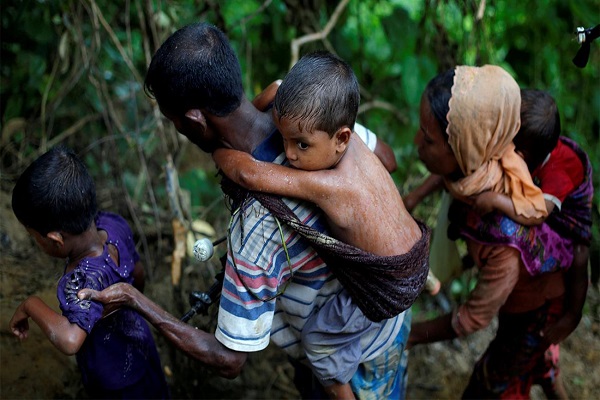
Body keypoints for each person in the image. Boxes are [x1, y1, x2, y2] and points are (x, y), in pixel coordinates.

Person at [78, 22, 413, 400]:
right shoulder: (311, 114)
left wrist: (134, 299)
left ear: (194, 121)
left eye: (175, 123)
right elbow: (387, 158)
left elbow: (229, 359)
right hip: (390, 322)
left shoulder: (257, 228)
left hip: (351, 367)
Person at [212, 50, 428, 399]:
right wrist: (261, 108)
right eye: (283, 138)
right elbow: (277, 88)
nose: (290, 153)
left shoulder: (333, 186)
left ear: (341, 138)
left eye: (301, 144)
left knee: (319, 341)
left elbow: (249, 174)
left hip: (387, 287)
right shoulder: (353, 139)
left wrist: (216, 145)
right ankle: (429, 282)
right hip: (414, 253)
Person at [408, 65, 578, 399]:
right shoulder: (481, 159)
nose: (417, 143)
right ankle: (544, 366)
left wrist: (412, 335)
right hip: (521, 293)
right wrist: (413, 198)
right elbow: (449, 173)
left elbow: (473, 317)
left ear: (464, 149)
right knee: (537, 364)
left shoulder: (505, 239)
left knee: (488, 385)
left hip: (535, 309)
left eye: (427, 140)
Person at [9, 145, 170, 399]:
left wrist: (30, 305)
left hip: (115, 382)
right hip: (142, 348)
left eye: (34, 237)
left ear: (55, 239)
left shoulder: (81, 280)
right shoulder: (114, 225)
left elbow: (70, 340)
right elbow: (138, 274)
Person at [470, 88, 592, 399]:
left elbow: (537, 213)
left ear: (521, 153)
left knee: (495, 379)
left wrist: (496, 200)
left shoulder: (559, 170)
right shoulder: (537, 150)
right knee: (537, 362)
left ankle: (572, 315)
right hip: (534, 295)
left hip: (565, 247)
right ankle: (546, 366)